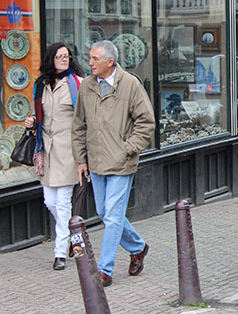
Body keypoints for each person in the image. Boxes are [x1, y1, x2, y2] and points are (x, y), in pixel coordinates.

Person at [71, 40, 155, 287]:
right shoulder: (87, 86)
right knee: (105, 212)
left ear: (110, 62)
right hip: (96, 161)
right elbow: (78, 126)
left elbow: (146, 122)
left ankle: (104, 270)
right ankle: (138, 246)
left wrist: (128, 149)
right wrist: (81, 159)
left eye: (94, 59)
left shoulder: (130, 84)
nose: (89, 63)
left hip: (121, 162)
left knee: (114, 215)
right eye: (89, 58)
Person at [24, 43, 83, 270]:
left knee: (62, 202)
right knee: (50, 201)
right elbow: (38, 115)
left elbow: (83, 120)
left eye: (67, 56)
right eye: (59, 57)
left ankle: (60, 253)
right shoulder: (41, 85)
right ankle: (72, 234)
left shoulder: (77, 83)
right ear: (51, 59)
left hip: (68, 150)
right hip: (45, 149)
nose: (64, 60)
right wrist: (31, 120)